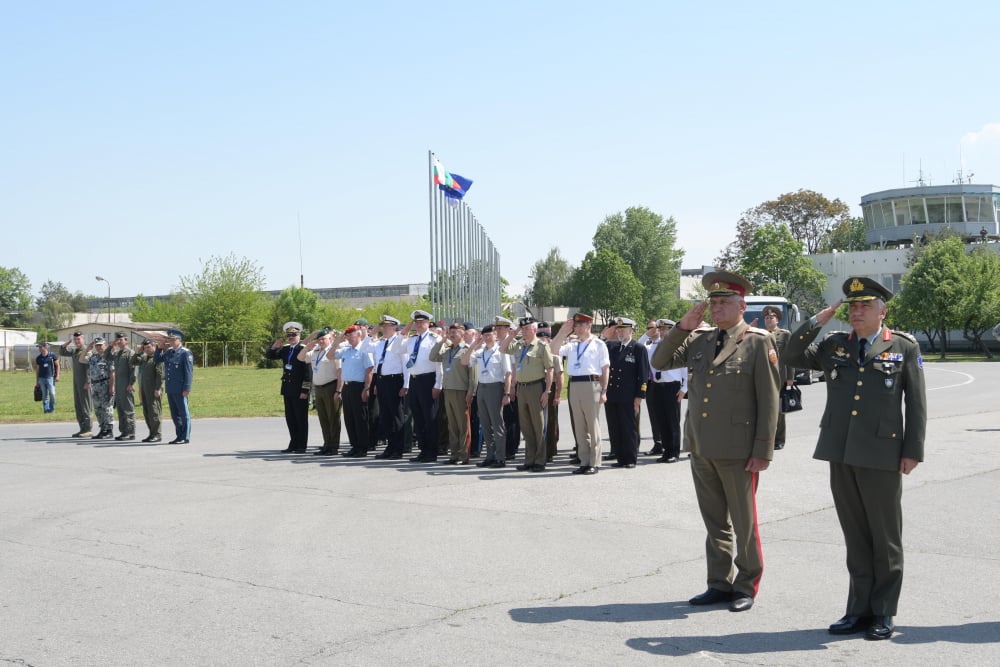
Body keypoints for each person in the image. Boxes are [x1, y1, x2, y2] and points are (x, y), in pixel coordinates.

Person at [781, 277, 926, 641]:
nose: (857, 312)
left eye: (864, 306)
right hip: (840, 450)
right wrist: (817, 321)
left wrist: (912, 450)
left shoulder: (903, 346)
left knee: (885, 536)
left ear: (882, 311)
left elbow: (917, 405)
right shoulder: (834, 345)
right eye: (852, 307)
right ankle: (857, 610)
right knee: (856, 535)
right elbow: (791, 355)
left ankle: (884, 612)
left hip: (882, 453)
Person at [651, 270, 780, 613]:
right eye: (713, 302)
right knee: (714, 522)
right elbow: (659, 361)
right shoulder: (700, 340)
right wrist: (682, 327)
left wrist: (763, 449)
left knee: (744, 522)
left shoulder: (757, 341)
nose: (717, 308)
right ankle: (718, 583)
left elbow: (770, 400)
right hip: (702, 446)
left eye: (724, 302)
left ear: (742, 305)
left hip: (739, 450)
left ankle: (747, 583)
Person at [550, 312, 610, 475]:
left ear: (588, 326)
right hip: (574, 384)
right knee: (579, 425)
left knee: (592, 424)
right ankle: (584, 460)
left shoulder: (598, 344)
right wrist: (563, 331)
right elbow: (553, 350)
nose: (575, 327)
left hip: (592, 384)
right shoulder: (572, 344)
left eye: (578, 325)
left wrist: (604, 390)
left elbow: (605, 369)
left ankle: (594, 461)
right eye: (575, 325)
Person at [391, 310, 442, 463]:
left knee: (430, 417)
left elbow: (439, 363)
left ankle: (432, 451)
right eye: (416, 322)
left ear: (428, 323)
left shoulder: (435, 338)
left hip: (429, 379)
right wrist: (403, 332)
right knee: (418, 418)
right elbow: (395, 349)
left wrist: (438, 384)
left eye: (422, 322)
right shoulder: (412, 339)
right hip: (414, 380)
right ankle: (423, 449)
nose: (419, 325)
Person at [505, 317, 555, 472]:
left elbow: (550, 369)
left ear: (534, 330)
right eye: (523, 328)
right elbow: (502, 348)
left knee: (538, 425)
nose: (524, 331)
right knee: (526, 426)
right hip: (522, 388)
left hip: (536, 387)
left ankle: (540, 461)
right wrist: (513, 334)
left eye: (527, 328)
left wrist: (547, 391)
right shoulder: (519, 345)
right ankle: (529, 459)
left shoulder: (541, 346)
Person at [604, 317, 649, 469]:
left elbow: (643, 375)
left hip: (628, 396)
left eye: (623, 329)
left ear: (632, 330)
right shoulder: (613, 347)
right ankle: (620, 457)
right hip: (612, 394)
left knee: (628, 428)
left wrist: (639, 396)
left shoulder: (638, 348)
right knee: (615, 427)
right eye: (618, 329)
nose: (620, 331)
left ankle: (630, 458)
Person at [466, 325, 512, 468]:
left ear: (495, 335)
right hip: (482, 387)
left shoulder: (501, 351)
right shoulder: (479, 352)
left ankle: (500, 457)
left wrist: (507, 393)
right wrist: (474, 344)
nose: (487, 337)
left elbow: (508, 373)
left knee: (497, 423)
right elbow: (464, 361)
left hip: (495, 387)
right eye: (484, 335)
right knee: (485, 423)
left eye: (490, 335)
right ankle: (490, 455)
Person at [429, 322, 475, 465]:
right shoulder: (447, 351)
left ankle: (464, 455)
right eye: (451, 333)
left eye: (455, 333)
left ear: (462, 334)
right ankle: (454, 454)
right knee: (452, 425)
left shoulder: (467, 350)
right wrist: (442, 340)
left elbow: (473, 375)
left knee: (462, 425)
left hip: (461, 391)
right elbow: (432, 356)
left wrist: (471, 393)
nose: (452, 335)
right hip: (448, 390)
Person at [266, 322, 312, 453]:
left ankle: (301, 445)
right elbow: (270, 356)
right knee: (290, 418)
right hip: (288, 388)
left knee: (300, 419)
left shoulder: (303, 349)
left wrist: (305, 390)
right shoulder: (286, 349)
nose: (291, 337)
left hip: (299, 390)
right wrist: (274, 347)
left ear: (299, 335)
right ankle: (293, 443)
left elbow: (308, 373)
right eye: (289, 335)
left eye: (293, 335)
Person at [647, 319, 688, 463]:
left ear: (672, 331)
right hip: (657, 386)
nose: (663, 332)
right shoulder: (653, 346)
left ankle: (674, 452)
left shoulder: (678, 347)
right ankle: (665, 450)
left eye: (666, 329)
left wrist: (684, 388)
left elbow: (686, 370)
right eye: (661, 329)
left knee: (672, 420)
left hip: (672, 386)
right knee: (661, 420)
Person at [298, 327, 343, 456]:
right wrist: (307, 347)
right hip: (318, 388)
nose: (321, 341)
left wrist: (338, 390)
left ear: (331, 339)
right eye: (319, 339)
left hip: (331, 386)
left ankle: (334, 446)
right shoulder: (315, 352)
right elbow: (300, 358)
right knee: (323, 418)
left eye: (324, 338)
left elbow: (340, 373)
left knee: (333, 417)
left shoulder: (334, 352)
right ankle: (326, 444)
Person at [334, 324, 375, 458]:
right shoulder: (346, 350)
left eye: (351, 335)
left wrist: (366, 388)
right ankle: (354, 446)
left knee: (360, 418)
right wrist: (338, 340)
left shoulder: (365, 350)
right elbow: (330, 355)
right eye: (348, 336)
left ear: (358, 335)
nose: (349, 338)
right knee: (349, 418)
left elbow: (370, 370)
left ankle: (363, 447)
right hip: (347, 387)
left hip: (359, 387)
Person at [371, 315, 408, 460]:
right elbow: (365, 348)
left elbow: (406, 365)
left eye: (387, 326)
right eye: (383, 326)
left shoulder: (399, 342)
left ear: (394, 328)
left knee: (396, 416)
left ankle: (398, 448)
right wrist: (373, 332)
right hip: (382, 381)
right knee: (385, 416)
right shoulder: (381, 343)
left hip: (395, 381)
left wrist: (406, 384)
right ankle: (390, 447)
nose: (384, 329)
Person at [761, 305, 795, 450]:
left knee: (779, 411)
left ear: (777, 320)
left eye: (771, 318)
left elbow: (789, 358)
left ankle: (779, 439)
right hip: (762, 378)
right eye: (767, 318)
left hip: (779, 378)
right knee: (764, 409)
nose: (769, 320)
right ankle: (765, 438)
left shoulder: (784, 335)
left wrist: (790, 379)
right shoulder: (760, 334)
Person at [155, 328, 194, 444]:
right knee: (175, 414)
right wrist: (159, 348)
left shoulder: (185, 353)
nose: (170, 342)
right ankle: (179, 435)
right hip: (171, 388)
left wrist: (187, 388)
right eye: (169, 340)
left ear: (179, 340)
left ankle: (185, 436)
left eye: (173, 340)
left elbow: (188, 372)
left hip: (180, 388)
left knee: (183, 413)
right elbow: (157, 359)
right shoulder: (169, 352)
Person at [60, 331, 93, 437]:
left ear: (83, 339)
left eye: (78, 339)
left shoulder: (86, 350)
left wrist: (88, 382)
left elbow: (89, 367)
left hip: (84, 382)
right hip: (76, 382)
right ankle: (82, 428)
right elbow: (63, 352)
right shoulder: (75, 351)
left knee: (85, 405)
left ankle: (88, 428)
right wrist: (64, 345)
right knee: (78, 405)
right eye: (75, 339)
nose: (77, 341)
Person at [81, 337, 115, 439]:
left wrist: (112, 387)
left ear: (105, 345)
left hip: (105, 384)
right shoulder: (93, 357)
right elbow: (81, 359)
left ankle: (109, 430)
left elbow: (113, 373)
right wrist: (87, 349)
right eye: (97, 345)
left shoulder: (109, 357)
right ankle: (102, 428)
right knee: (98, 409)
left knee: (107, 408)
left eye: (100, 345)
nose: (99, 347)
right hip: (95, 385)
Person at [131, 338, 164, 443]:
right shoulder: (145, 358)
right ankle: (151, 433)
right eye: (145, 347)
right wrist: (138, 352)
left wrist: (158, 388)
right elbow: (133, 362)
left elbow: (160, 375)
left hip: (154, 389)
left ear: (154, 347)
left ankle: (157, 434)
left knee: (154, 412)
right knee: (147, 412)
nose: (147, 349)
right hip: (145, 389)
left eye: (149, 347)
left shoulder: (157, 358)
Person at [109, 332, 137, 441]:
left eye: (121, 339)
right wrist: (111, 345)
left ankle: (131, 432)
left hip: (126, 385)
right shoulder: (117, 353)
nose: (119, 341)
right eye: (118, 339)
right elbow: (107, 356)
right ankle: (124, 431)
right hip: (118, 385)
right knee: (120, 410)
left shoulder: (130, 353)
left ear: (126, 340)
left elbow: (133, 370)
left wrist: (131, 383)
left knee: (128, 410)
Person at [35, 341, 60, 414]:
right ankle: (46, 410)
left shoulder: (52, 356)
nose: (39, 348)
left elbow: (58, 365)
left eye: (40, 347)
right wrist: (37, 382)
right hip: (41, 378)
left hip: (50, 378)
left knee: (52, 393)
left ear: (45, 347)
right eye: (39, 347)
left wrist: (58, 375)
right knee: (44, 395)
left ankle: (52, 409)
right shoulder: (38, 358)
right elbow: (37, 370)